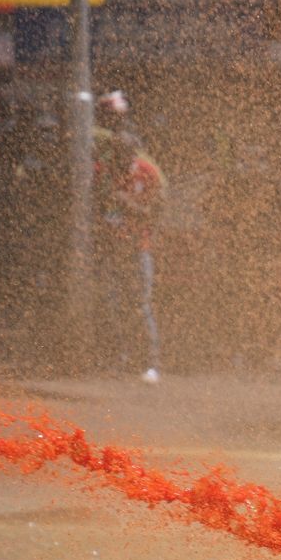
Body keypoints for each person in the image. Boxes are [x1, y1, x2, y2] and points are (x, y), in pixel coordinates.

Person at [93, 119, 165, 383]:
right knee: (113, 304)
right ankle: (119, 358)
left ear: (134, 148)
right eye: (116, 148)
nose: (121, 154)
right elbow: (96, 207)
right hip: (112, 247)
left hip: (138, 248)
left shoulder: (146, 173)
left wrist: (128, 205)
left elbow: (156, 212)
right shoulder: (104, 171)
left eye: (125, 148)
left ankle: (150, 362)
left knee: (141, 304)